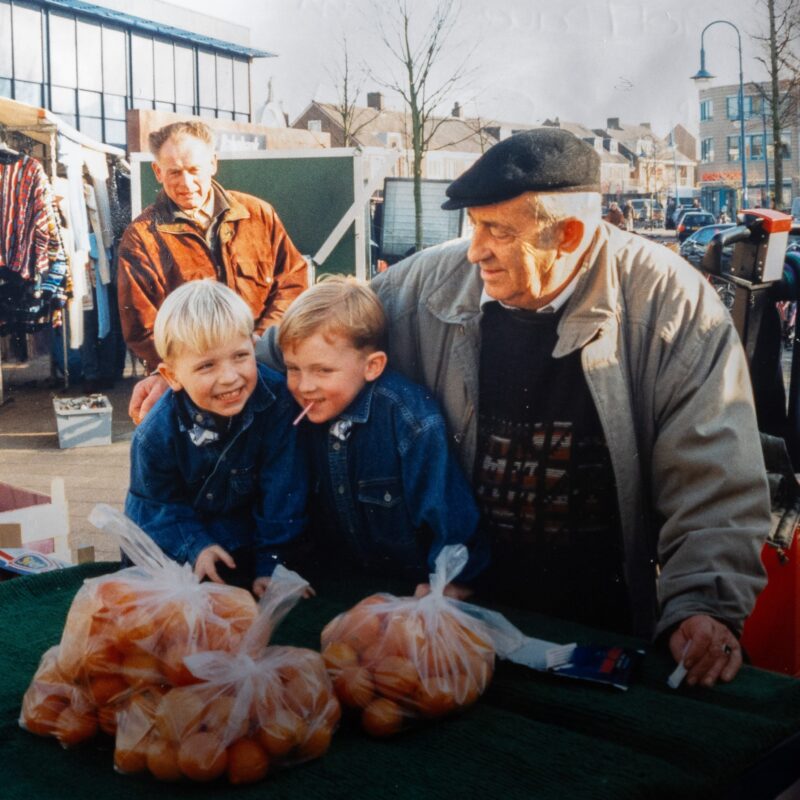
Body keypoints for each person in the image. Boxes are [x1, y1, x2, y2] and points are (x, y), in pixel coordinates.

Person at [133, 128, 769, 687]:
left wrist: (703, 606)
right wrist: (188, 375)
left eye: (498, 231)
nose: (475, 250)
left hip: (598, 608)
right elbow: (297, 342)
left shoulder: (671, 305)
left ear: (569, 233)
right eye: (473, 227)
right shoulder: (430, 281)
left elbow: (715, 469)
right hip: (454, 603)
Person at [277, 275, 487, 598]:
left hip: (411, 589)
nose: (304, 386)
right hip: (340, 583)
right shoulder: (296, 415)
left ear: (372, 366)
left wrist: (450, 582)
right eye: (294, 369)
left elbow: (449, 515)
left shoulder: (409, 420)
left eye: (322, 371)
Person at [124, 279, 309, 597]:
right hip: (177, 544)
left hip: (245, 542)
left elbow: (284, 490)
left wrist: (273, 564)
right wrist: (196, 546)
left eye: (240, 356)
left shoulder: (278, 403)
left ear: (254, 345)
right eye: (207, 365)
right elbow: (153, 506)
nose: (229, 377)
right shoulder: (154, 436)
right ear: (172, 376)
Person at [117, 121, 307, 379]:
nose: (186, 183)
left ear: (213, 164)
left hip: (268, 370)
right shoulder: (141, 238)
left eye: (194, 169)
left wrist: (260, 343)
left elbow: (293, 283)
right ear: (157, 172)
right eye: (174, 172)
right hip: (193, 384)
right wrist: (203, 368)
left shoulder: (258, 214)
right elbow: (142, 328)